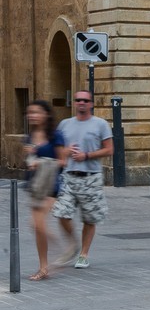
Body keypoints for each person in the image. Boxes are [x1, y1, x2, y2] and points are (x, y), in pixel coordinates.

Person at [54, 90, 114, 269]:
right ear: (74, 103)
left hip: (91, 177)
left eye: (85, 100)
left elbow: (109, 150)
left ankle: (83, 254)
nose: (81, 103)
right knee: (61, 213)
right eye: (78, 100)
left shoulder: (100, 124)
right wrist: (66, 151)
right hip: (68, 176)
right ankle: (73, 245)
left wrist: (87, 155)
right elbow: (58, 150)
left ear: (91, 104)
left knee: (89, 218)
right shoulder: (64, 124)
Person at [22, 100, 65, 280]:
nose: (32, 115)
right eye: (30, 112)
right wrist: (30, 159)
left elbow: (64, 161)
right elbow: (29, 160)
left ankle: (60, 251)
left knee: (36, 224)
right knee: (38, 228)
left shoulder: (56, 136)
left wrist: (43, 162)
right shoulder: (29, 137)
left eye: (36, 112)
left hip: (51, 185)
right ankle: (43, 267)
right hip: (36, 185)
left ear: (46, 114)